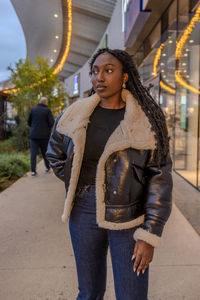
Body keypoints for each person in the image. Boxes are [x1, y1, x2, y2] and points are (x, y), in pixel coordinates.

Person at [46, 48, 173, 300]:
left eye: (108, 71)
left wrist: (150, 233)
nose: (99, 78)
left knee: (131, 294)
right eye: (95, 72)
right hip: (82, 212)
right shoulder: (76, 113)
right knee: (89, 292)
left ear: (124, 76)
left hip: (128, 216)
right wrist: (77, 180)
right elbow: (54, 154)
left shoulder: (144, 119)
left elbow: (160, 177)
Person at [27, 96, 54, 176]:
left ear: (39, 102)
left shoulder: (33, 110)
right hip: (44, 136)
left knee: (33, 153)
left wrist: (33, 127)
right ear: (46, 103)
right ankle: (48, 167)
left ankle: (33, 171)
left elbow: (29, 122)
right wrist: (47, 129)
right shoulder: (47, 111)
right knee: (45, 152)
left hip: (34, 135)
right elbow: (52, 122)